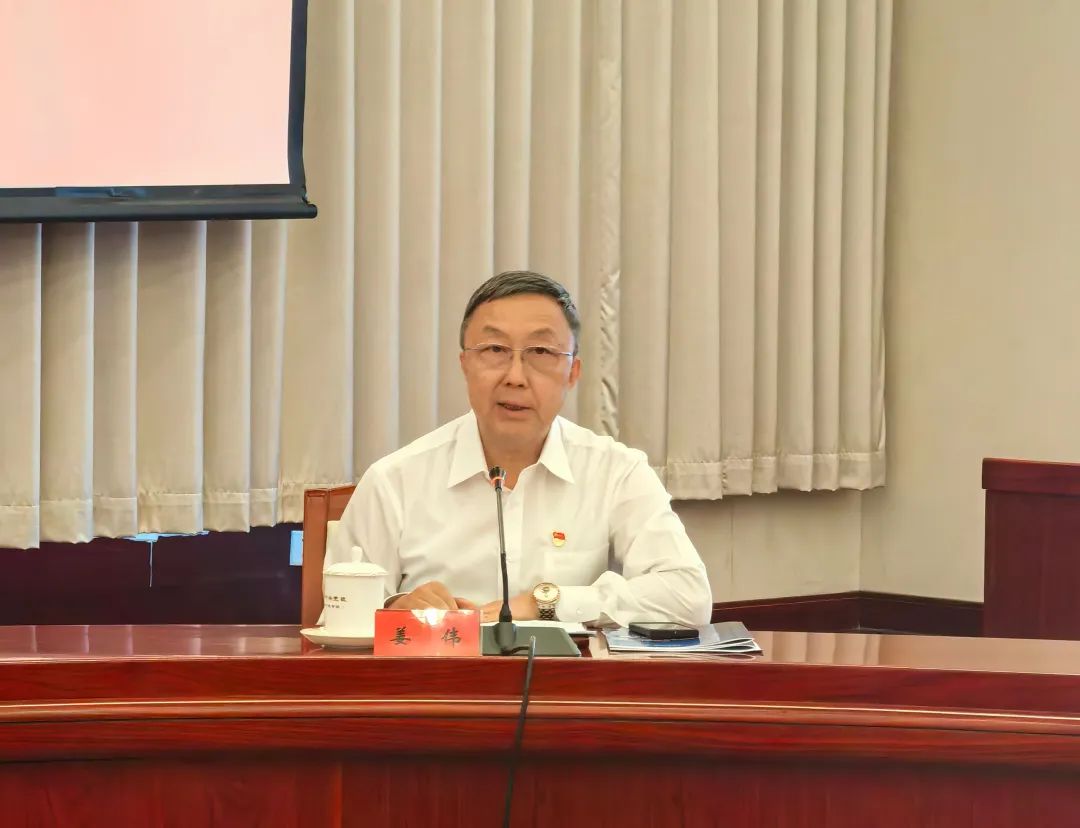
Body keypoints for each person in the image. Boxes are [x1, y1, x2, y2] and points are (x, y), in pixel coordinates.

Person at [325, 271, 712, 627]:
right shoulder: (394, 481)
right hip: (438, 678)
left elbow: (688, 596)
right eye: (495, 349)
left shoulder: (617, 472)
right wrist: (395, 611)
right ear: (464, 364)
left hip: (568, 681)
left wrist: (548, 602)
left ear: (573, 373)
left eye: (540, 352)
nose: (515, 377)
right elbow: (336, 619)